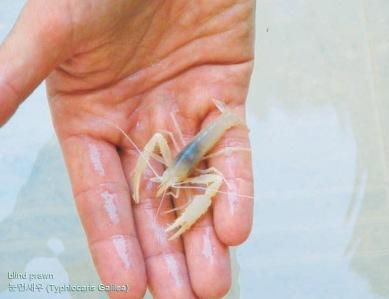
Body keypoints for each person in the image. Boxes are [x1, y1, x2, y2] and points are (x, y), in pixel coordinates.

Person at [0, 1, 254, 298]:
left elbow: (212, 181)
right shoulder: (169, 164)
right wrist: (144, 183)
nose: (166, 184)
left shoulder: (198, 163)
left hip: (209, 136)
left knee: (209, 191)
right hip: (186, 157)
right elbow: (159, 142)